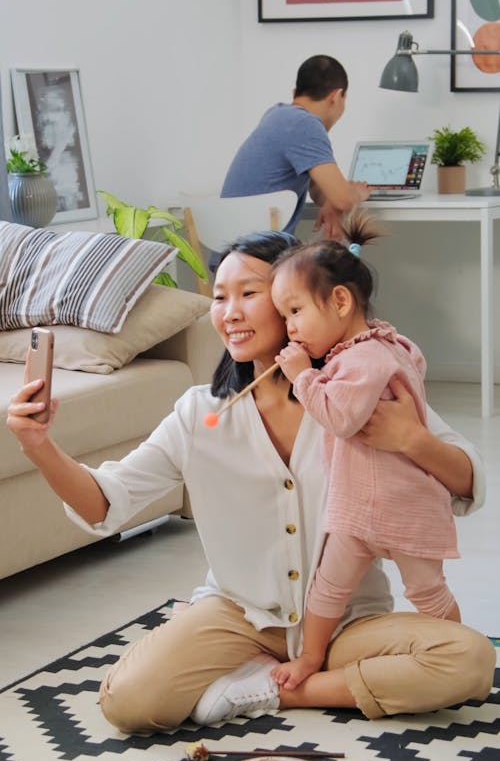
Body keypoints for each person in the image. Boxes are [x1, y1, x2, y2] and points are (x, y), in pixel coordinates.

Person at [7, 231, 495, 735]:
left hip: (349, 624)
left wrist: (412, 440)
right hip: (238, 616)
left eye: (249, 293)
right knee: (129, 702)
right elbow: (105, 503)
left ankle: (279, 688)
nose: (230, 312)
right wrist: (38, 445)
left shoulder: (365, 391)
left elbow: (466, 482)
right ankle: (323, 681)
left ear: (295, 302)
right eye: (219, 297)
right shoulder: (201, 413)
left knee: (469, 660)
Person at [268, 213, 461, 692]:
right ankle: (312, 657)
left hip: (400, 505)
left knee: (427, 592)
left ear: (339, 301)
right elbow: (414, 361)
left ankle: (457, 650)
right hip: (358, 509)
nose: (289, 328)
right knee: (328, 587)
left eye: (294, 311)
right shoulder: (385, 347)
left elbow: (340, 417)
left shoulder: (362, 358)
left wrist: (301, 376)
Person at [220, 54, 371, 241]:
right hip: (259, 258)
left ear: (294, 93)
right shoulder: (304, 124)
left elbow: (319, 190)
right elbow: (344, 199)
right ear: (336, 97)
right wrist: (356, 192)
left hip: (235, 254)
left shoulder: (278, 114)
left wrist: (333, 201)